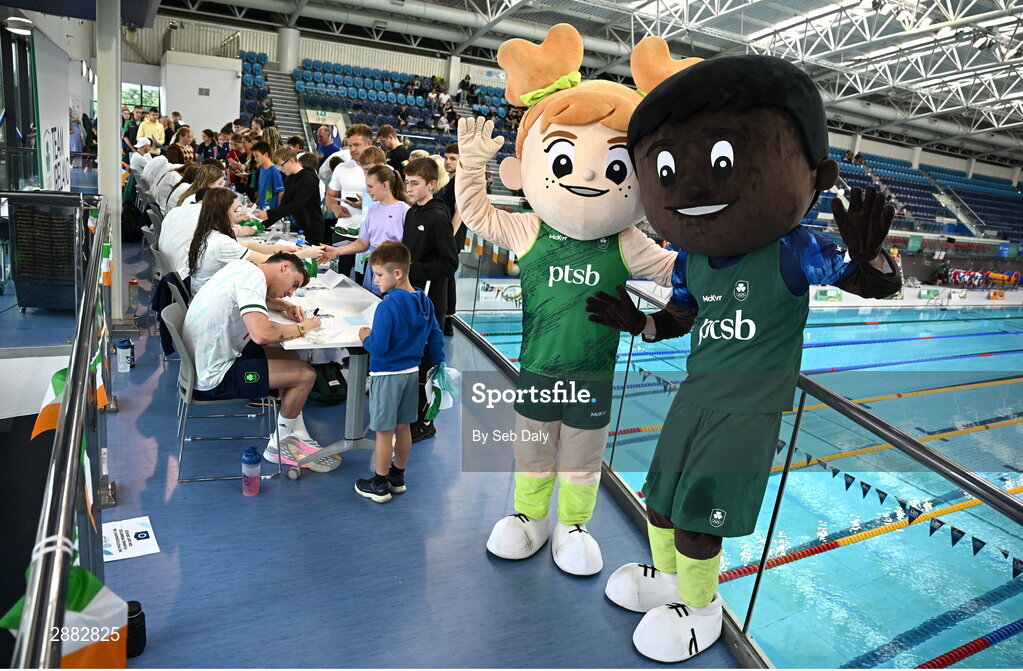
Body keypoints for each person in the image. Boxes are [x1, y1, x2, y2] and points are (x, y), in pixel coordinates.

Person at [588, 41, 900, 662]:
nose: (693, 186)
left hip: (747, 411)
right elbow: (680, 318)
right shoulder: (693, 260)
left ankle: (701, 608)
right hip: (695, 395)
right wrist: (640, 324)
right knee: (661, 501)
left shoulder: (793, 250)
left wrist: (869, 257)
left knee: (702, 519)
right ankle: (671, 583)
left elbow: (875, 284)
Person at [454, 25, 685, 579]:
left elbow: (679, 271)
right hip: (536, 370)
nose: (585, 175)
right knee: (532, 454)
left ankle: (573, 525)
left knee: (582, 462)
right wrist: (470, 165)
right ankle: (530, 516)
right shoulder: (532, 230)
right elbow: (480, 216)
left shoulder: (626, 241)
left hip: (594, 375)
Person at [182, 252, 330, 466]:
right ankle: (278, 446)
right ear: (285, 267)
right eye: (294, 284)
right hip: (215, 376)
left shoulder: (245, 269)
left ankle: (295, 432)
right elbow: (261, 334)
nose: (290, 293)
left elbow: (260, 300)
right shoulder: (253, 280)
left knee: (289, 356)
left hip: (205, 360)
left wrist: (285, 307)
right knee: (305, 374)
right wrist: (303, 327)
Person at [354, 241, 445, 503]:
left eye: (379, 275)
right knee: (403, 427)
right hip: (411, 374)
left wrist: (365, 336)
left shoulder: (388, 306)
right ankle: (397, 477)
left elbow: (379, 347)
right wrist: (437, 364)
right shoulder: (423, 300)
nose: (375, 281)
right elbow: (435, 337)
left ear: (397, 273)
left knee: (383, 432)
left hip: (386, 377)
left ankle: (379, 484)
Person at [400, 157, 458, 442]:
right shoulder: (412, 213)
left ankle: (426, 422)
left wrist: (412, 270)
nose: (408, 188)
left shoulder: (437, 216)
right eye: (406, 182)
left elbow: (449, 263)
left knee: (426, 362)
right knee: (411, 357)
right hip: (409, 296)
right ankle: (411, 413)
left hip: (430, 301)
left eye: (414, 183)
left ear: (431, 185)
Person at [186, 187, 323, 293]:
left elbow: (248, 245)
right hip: (211, 297)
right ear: (222, 213)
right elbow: (270, 263)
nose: (238, 215)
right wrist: (306, 253)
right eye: (235, 211)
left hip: (205, 292)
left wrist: (282, 249)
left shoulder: (209, 233)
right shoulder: (222, 244)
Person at [322, 164, 408, 294]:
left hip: (393, 272)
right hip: (373, 269)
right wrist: (336, 251)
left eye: (371, 187)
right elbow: (363, 242)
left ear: (385, 185)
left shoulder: (404, 210)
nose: (367, 191)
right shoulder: (372, 210)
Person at [254, 147, 326, 245]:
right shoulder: (290, 178)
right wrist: (263, 225)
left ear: (291, 160)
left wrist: (269, 214)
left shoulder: (308, 179)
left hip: (312, 229)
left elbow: (296, 205)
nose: (280, 169)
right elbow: (284, 205)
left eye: (281, 165)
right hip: (298, 227)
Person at [325, 123, 373, 242]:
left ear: (369, 144)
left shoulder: (385, 171)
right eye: (350, 145)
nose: (352, 150)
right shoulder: (341, 168)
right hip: (343, 233)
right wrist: (335, 207)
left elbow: (392, 206)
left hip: (372, 236)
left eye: (356, 145)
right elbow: (330, 196)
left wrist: (366, 205)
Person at [437, 142, 462, 335]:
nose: (448, 161)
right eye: (446, 157)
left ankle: (447, 321)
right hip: (446, 236)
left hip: (451, 238)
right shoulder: (450, 181)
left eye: (453, 158)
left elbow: (459, 214)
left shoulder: (461, 182)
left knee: (448, 278)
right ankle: (446, 320)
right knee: (446, 277)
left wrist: (448, 238)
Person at [251, 141, 284, 210]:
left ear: (266, 155)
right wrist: (255, 205)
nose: (255, 159)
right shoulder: (262, 168)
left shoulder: (274, 171)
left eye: (257, 156)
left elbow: (281, 191)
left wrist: (278, 210)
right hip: (262, 208)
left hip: (271, 211)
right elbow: (264, 190)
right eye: (254, 156)